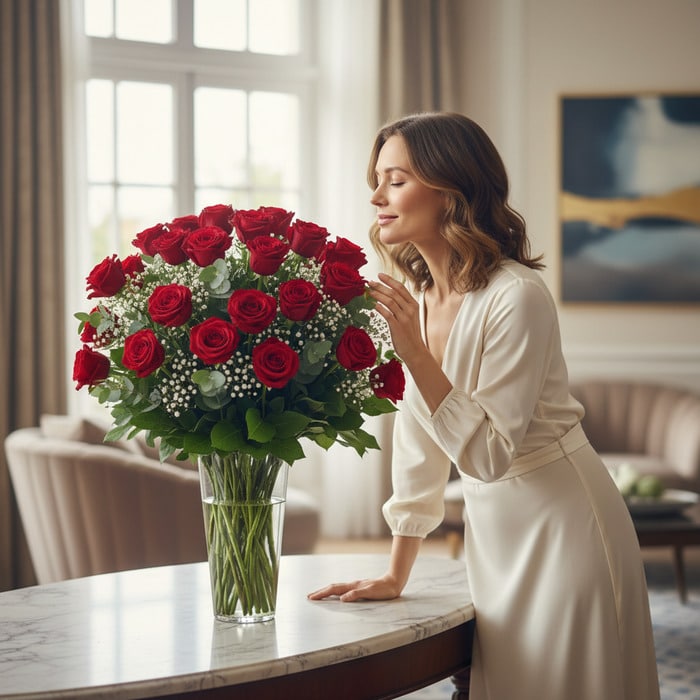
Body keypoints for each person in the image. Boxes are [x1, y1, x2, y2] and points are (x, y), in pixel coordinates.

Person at [308, 112, 660, 700]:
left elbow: (490, 455)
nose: (376, 195)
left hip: (563, 527)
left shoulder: (517, 296)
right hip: (493, 533)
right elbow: (420, 442)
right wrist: (397, 572)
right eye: (377, 179)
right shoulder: (417, 299)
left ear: (450, 189)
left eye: (395, 180)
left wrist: (414, 353)